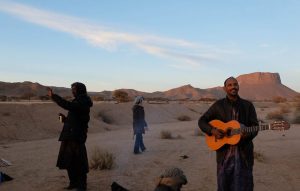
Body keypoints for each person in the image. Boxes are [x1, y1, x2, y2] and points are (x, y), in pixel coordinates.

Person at [198, 77, 258, 191]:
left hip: (244, 154)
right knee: (224, 185)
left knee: (245, 186)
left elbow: (255, 127)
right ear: (225, 88)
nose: (233, 87)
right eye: (230, 85)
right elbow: (202, 121)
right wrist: (212, 131)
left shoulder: (248, 105)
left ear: (238, 87)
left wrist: (247, 135)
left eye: (235, 84)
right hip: (224, 154)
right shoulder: (218, 105)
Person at [47, 82, 93, 191]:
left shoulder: (83, 102)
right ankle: (73, 183)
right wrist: (65, 120)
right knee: (69, 161)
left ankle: (82, 185)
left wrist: (54, 96)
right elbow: (75, 118)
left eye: (74, 89)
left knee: (79, 162)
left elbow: (68, 106)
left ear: (80, 90)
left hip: (76, 137)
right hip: (69, 135)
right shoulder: (78, 101)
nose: (72, 91)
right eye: (72, 89)